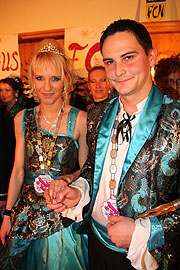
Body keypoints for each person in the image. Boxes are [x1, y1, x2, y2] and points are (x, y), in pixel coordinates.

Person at [46, 19, 180, 270]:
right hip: (97, 244)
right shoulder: (97, 115)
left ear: (151, 57)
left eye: (128, 57)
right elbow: (93, 170)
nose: (118, 71)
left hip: (150, 256)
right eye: (110, 62)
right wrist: (78, 191)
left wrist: (147, 232)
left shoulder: (177, 119)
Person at [0, 38, 89, 270]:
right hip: (24, 215)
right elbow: (18, 170)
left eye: (55, 78)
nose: (46, 87)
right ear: (31, 81)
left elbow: (86, 170)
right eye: (39, 78)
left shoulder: (79, 119)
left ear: (66, 81)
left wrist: (67, 179)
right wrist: (8, 214)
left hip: (62, 214)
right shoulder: (22, 118)